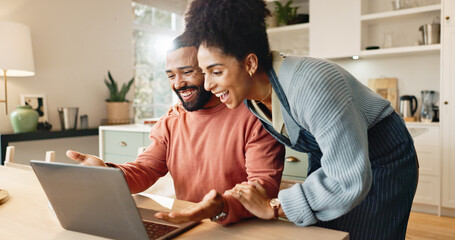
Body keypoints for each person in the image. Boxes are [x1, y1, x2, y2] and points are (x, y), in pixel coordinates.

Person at [182, 0, 419, 239]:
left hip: (382, 157)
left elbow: (348, 178)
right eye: (204, 73)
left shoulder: (311, 85)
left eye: (216, 72)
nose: (208, 85)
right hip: (331, 160)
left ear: (250, 64)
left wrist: (273, 207)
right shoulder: (251, 96)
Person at [66, 34, 284, 225]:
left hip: (242, 229)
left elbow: (263, 187)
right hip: (187, 224)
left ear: (210, 69)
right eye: (171, 75)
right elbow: (145, 169)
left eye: (187, 72)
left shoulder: (256, 115)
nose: (178, 84)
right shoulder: (172, 120)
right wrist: (107, 172)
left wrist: (221, 206)